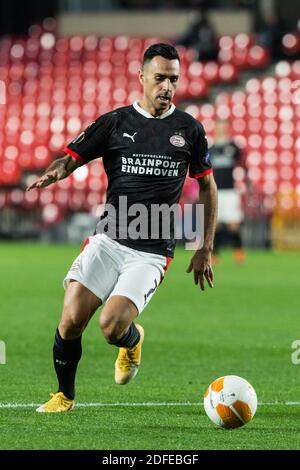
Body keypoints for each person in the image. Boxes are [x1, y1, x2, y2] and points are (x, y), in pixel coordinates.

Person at [26, 43, 218, 413]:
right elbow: (70, 157)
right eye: (160, 78)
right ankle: (64, 395)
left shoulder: (189, 130)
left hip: (151, 251)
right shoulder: (115, 122)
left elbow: (207, 187)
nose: (166, 86)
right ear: (142, 77)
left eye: (173, 80)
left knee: (111, 326)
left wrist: (203, 247)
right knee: (70, 320)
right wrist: (56, 171)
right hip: (108, 239)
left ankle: (131, 340)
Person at [209, 119, 245, 264]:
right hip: (215, 191)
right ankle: (215, 256)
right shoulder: (211, 149)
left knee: (233, 224)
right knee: (215, 225)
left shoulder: (233, 147)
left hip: (230, 191)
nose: (221, 130)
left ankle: (239, 253)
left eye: (224, 127)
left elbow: (243, 163)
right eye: (219, 127)